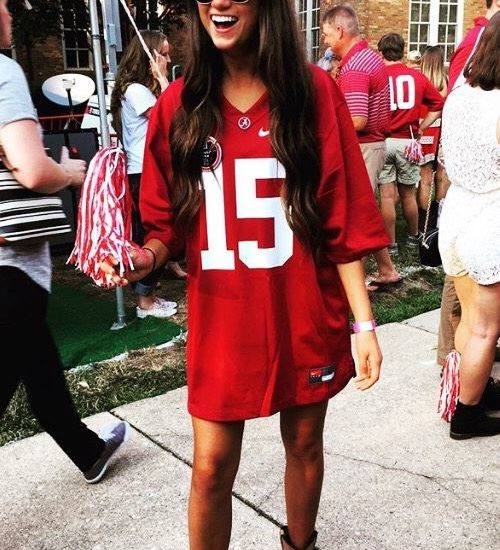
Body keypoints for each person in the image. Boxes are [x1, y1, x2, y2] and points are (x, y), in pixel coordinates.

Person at [102, 1, 388, 548]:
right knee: (211, 466)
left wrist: (364, 323)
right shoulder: (178, 104)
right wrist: (145, 258)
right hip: (223, 318)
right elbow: (167, 226)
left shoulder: (312, 92)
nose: (219, 2)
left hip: (303, 312)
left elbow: (340, 215)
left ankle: (300, 543)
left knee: (304, 444)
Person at [0, 0, 128, 483]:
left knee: (37, 360)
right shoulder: (3, 72)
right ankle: (87, 450)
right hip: (9, 264)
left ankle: (88, 451)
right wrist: (70, 173)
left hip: (12, 272)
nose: (10, 12)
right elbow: (33, 170)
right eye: (4, 3)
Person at [438, 11, 500, 439]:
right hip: (490, 220)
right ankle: (467, 414)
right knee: (486, 328)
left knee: (469, 320)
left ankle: (472, 391)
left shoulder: (459, 95)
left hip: (456, 215)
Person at [322, 4, 400, 292]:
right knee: (363, 210)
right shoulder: (366, 58)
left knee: (355, 214)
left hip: (364, 146)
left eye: (327, 34)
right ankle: (387, 269)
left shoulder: (355, 66)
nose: (325, 40)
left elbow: (356, 120)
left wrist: (324, 125)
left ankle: (353, 282)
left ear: (340, 31)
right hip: (371, 145)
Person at [110, 30, 184, 320]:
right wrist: (164, 80)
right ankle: (145, 301)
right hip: (143, 171)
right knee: (152, 233)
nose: (168, 59)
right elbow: (172, 118)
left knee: (159, 230)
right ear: (149, 56)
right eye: (163, 54)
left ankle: (152, 288)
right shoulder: (136, 90)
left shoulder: (138, 89)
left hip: (147, 170)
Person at [376, 33, 444, 250]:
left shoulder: (376, 76)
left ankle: (391, 242)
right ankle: (414, 236)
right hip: (407, 141)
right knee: (408, 194)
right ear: (402, 51)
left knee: (387, 196)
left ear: (381, 52)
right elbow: (438, 104)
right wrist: (422, 127)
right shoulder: (416, 76)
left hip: (383, 140)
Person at [417, 45, 448, 230]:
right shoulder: (445, 81)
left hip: (424, 129)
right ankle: (438, 221)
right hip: (441, 132)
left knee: (425, 180)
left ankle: (424, 224)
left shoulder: (419, 80)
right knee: (441, 178)